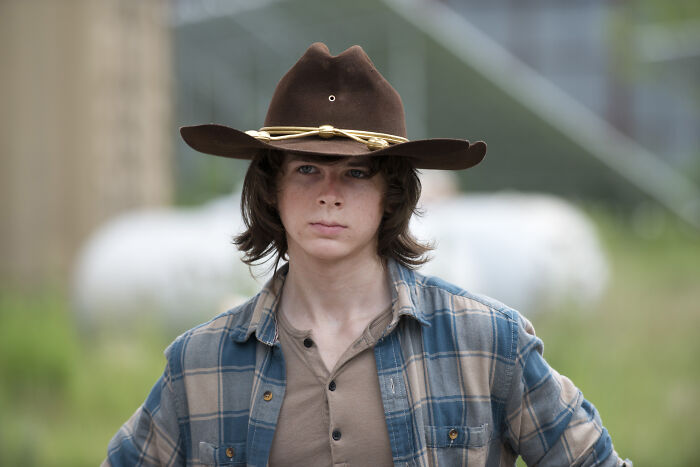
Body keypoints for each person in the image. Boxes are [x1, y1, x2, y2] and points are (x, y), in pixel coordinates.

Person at [104, 42, 630, 466]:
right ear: (271, 189)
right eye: (306, 169)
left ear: (390, 196)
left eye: (356, 172)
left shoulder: (489, 343)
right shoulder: (199, 364)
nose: (329, 192)